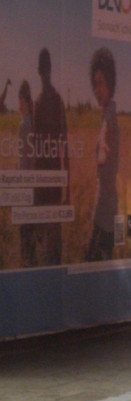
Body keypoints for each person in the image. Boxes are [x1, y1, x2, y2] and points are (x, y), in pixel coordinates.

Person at [32, 48, 69, 266]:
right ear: (40, 71)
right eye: (43, 69)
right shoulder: (38, 104)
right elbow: (36, 149)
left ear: (50, 70)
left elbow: (66, 148)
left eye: (48, 69)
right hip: (43, 186)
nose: (46, 73)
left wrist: (68, 190)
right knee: (44, 247)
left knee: (55, 248)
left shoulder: (57, 101)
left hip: (54, 186)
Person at [86, 48, 119, 262]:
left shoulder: (108, 118)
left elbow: (105, 144)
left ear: (110, 83)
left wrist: (102, 151)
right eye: (95, 84)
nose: (97, 90)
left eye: (102, 83)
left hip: (106, 215)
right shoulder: (106, 114)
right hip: (104, 211)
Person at [17, 80, 36, 267]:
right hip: (35, 182)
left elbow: (23, 160)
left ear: (23, 99)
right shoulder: (34, 122)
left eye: (19, 100)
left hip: (25, 183)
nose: (18, 105)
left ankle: (27, 263)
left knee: (24, 229)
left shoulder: (23, 124)